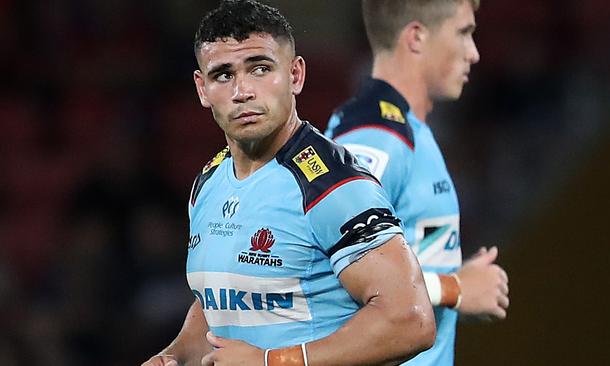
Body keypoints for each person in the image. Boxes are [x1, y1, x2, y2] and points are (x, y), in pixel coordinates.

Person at [142, 1, 436, 365]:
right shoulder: (210, 181)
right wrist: (172, 356)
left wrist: (274, 361)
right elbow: (222, 303)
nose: (242, 92)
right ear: (202, 89)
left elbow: (411, 321)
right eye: (223, 75)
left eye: (260, 69)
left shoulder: (333, 185)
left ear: (295, 75)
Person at [325, 0, 509, 365]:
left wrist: (451, 276)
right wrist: (455, 288)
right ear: (416, 37)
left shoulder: (409, 131)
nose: (473, 53)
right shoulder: (376, 137)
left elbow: (391, 258)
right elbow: (333, 279)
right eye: (463, 33)